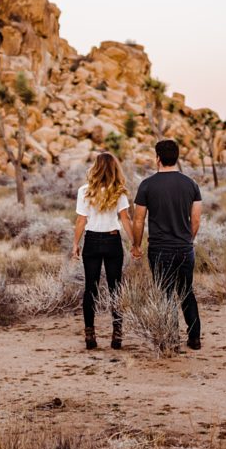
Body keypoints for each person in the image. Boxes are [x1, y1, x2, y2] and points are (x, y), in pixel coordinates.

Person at [132, 139, 203, 350]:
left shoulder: (147, 185)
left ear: (157, 158)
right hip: (184, 249)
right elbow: (196, 220)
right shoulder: (191, 184)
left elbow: (138, 220)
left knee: (165, 292)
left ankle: (171, 338)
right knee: (186, 291)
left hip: (159, 249)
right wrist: (187, 239)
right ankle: (194, 338)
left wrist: (136, 245)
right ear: (177, 157)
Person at [71, 152, 134, 350]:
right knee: (116, 287)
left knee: (91, 287)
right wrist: (135, 243)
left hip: (91, 240)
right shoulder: (119, 191)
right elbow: (125, 219)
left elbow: (81, 220)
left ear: (95, 167)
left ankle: (90, 334)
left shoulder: (84, 191)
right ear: (114, 168)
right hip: (112, 240)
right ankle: (117, 334)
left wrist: (75, 243)